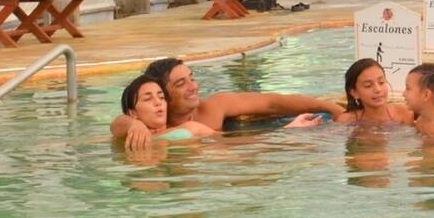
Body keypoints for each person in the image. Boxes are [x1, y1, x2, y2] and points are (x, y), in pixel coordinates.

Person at [111, 58, 344, 148]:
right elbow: (117, 124)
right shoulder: (155, 123)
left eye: (192, 78)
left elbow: (273, 103)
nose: (193, 87)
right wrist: (133, 124)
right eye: (181, 84)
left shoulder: (213, 107)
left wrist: (330, 108)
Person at [119, 75, 215, 142]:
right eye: (148, 99)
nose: (158, 102)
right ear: (133, 113)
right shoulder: (128, 137)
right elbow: (117, 124)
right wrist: (134, 124)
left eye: (161, 97)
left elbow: (220, 142)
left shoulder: (191, 128)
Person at [335, 58, 414, 125]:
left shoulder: (403, 113)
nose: (378, 89)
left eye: (381, 82)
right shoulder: (346, 121)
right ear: (354, 92)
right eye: (368, 85)